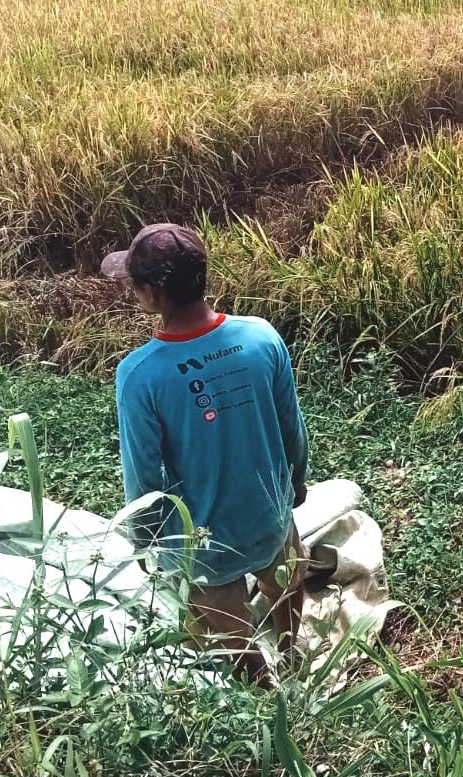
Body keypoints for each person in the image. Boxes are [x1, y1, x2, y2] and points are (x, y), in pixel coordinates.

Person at [103, 222, 310, 685]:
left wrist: (146, 538)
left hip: (203, 542)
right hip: (270, 515)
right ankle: (294, 655)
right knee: (286, 582)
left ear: (154, 293)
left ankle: (265, 691)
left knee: (228, 631)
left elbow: (142, 476)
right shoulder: (261, 337)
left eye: (134, 283)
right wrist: (296, 483)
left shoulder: (140, 374)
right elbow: (291, 426)